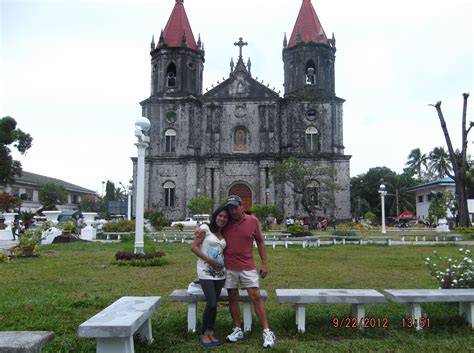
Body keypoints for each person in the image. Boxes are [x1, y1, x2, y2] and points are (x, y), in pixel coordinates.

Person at [222, 195, 276, 348]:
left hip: (247, 266)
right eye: (230, 208)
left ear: (241, 206)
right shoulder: (226, 221)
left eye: (235, 207)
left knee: (256, 296)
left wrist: (264, 264)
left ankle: (266, 331)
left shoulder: (252, 221)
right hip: (229, 266)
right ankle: (237, 329)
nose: (232, 211)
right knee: (232, 297)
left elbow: (259, 241)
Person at [191, 206, 229, 347]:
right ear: (215, 216)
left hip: (220, 273)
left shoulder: (224, 233)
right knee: (211, 303)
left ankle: (210, 332)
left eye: (225, 217)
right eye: (220, 216)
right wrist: (209, 260)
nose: (222, 219)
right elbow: (194, 247)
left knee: (215, 304)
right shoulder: (205, 228)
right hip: (205, 271)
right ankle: (203, 333)